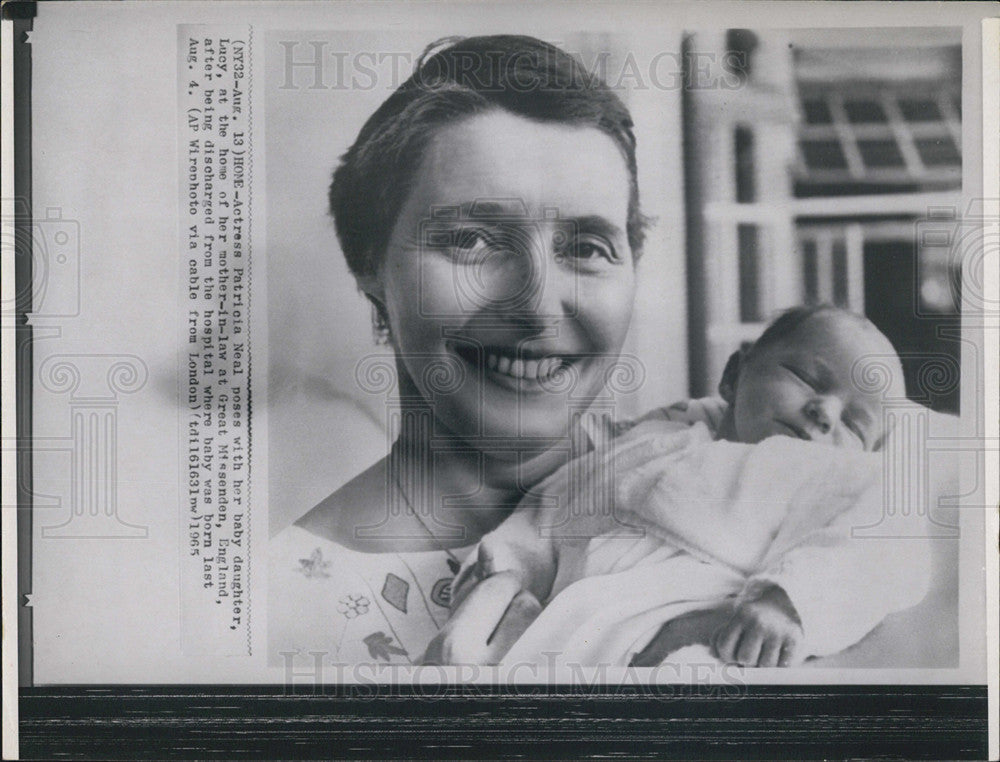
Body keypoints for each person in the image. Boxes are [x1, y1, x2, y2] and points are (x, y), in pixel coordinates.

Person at [269, 34, 650, 668]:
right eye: (472, 239)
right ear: (368, 264)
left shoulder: (727, 483)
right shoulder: (271, 614)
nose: (537, 305)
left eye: (586, 247)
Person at [451, 305, 932, 668]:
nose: (824, 413)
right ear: (733, 375)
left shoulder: (831, 475)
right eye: (806, 378)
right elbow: (555, 503)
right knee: (470, 642)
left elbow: (888, 536)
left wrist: (790, 602)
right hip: (561, 613)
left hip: (691, 620)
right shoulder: (654, 439)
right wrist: (505, 564)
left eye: (855, 423)